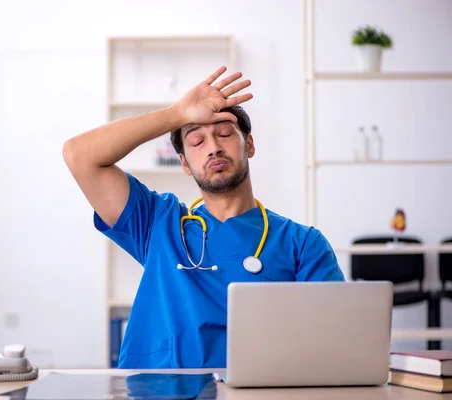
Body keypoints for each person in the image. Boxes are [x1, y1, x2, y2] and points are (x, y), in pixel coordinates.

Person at [62, 66, 345, 369]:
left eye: (224, 134)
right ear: (184, 163)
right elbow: (79, 155)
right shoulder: (158, 223)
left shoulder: (302, 245)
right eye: (197, 142)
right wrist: (178, 113)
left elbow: (336, 341)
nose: (213, 148)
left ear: (248, 145)